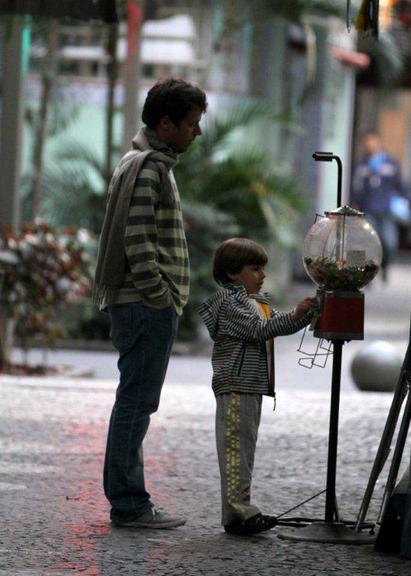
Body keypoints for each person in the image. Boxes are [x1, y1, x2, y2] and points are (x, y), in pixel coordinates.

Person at [93, 77, 207, 529]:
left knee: (135, 403)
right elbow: (138, 241)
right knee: (136, 404)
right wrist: (160, 296)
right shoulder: (149, 168)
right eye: (191, 123)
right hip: (145, 305)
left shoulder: (147, 162)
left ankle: (129, 501)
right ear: (166, 122)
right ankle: (129, 504)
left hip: (144, 304)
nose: (196, 132)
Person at [198, 238, 317, 536]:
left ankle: (237, 513)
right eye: (255, 269)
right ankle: (240, 514)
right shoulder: (230, 304)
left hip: (250, 386)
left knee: (243, 452)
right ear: (232, 273)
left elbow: (279, 325)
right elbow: (260, 330)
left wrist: (307, 314)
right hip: (236, 386)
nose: (262, 275)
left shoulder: (256, 303)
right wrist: (296, 313)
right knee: (236, 452)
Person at [350, 131, 409, 282]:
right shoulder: (362, 165)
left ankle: (385, 267)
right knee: (368, 242)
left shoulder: (390, 163)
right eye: (366, 142)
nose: (369, 145)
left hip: (386, 210)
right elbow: (355, 188)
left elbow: (399, 185)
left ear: (378, 142)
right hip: (368, 209)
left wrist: (406, 201)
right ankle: (366, 273)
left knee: (390, 242)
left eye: (371, 141)